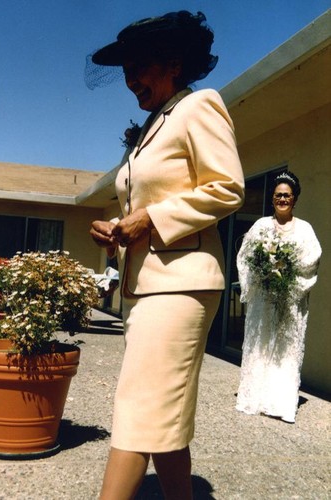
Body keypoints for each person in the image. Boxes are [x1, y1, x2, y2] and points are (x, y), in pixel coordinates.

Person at [88, 11, 244, 499]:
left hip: (183, 285)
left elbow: (228, 187)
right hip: (146, 286)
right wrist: (118, 228)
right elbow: (145, 205)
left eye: (140, 66)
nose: (131, 79)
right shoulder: (152, 128)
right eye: (126, 70)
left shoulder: (200, 106)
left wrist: (150, 218)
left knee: (138, 409)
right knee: (160, 415)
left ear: (174, 63)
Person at [236, 171, 321, 423]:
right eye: (277, 196)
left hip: (290, 300)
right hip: (263, 298)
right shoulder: (261, 226)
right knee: (261, 344)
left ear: (294, 199)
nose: (282, 199)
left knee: (285, 348)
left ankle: (280, 403)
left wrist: (288, 271)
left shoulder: (304, 229)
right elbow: (245, 256)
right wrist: (263, 271)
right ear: (272, 199)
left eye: (286, 195)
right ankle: (255, 398)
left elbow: (312, 259)